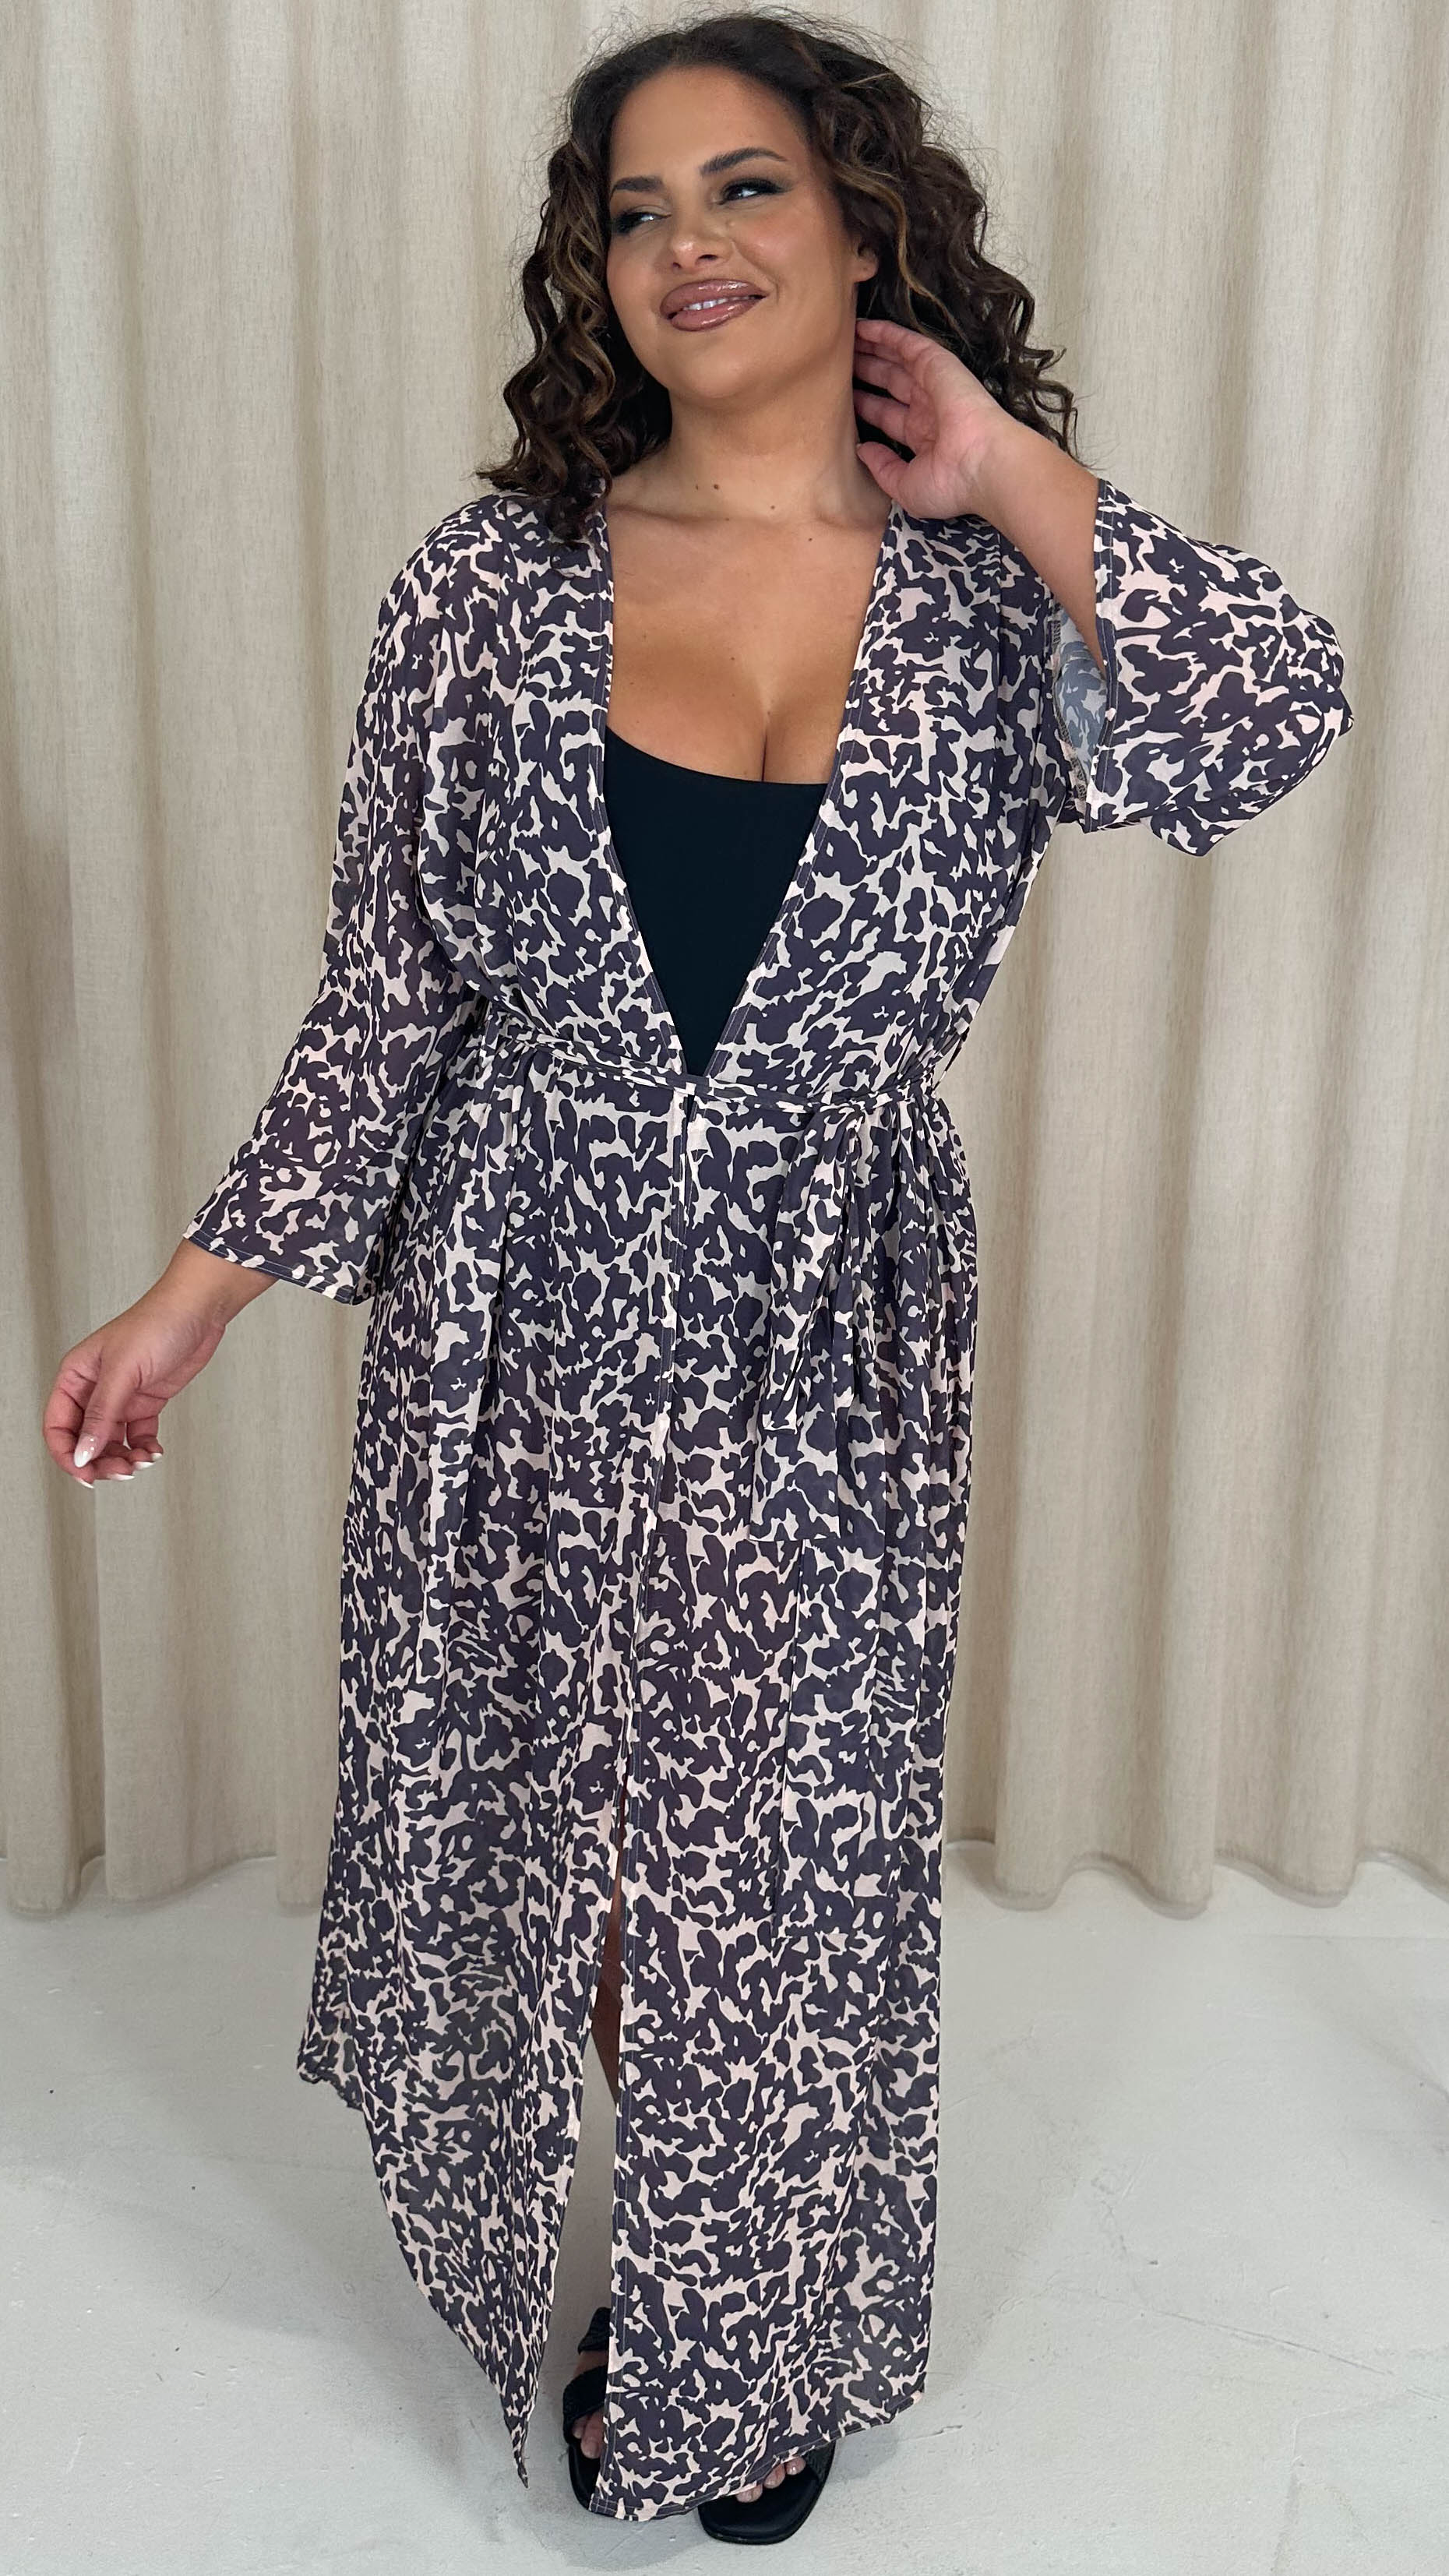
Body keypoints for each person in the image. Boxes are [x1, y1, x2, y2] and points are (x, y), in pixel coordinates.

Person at [41, 8, 1353, 2546]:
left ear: (862, 223)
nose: (687, 247)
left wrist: (1005, 466)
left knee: (775, 1856)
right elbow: (385, 1002)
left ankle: (745, 2329)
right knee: (564, 1830)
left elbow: (1267, 711)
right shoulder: (487, 590)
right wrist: (188, 1296)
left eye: (744, 188)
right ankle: (677, 2246)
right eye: (635, 210)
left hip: (816, 1315)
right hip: (517, 1308)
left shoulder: (984, 602)